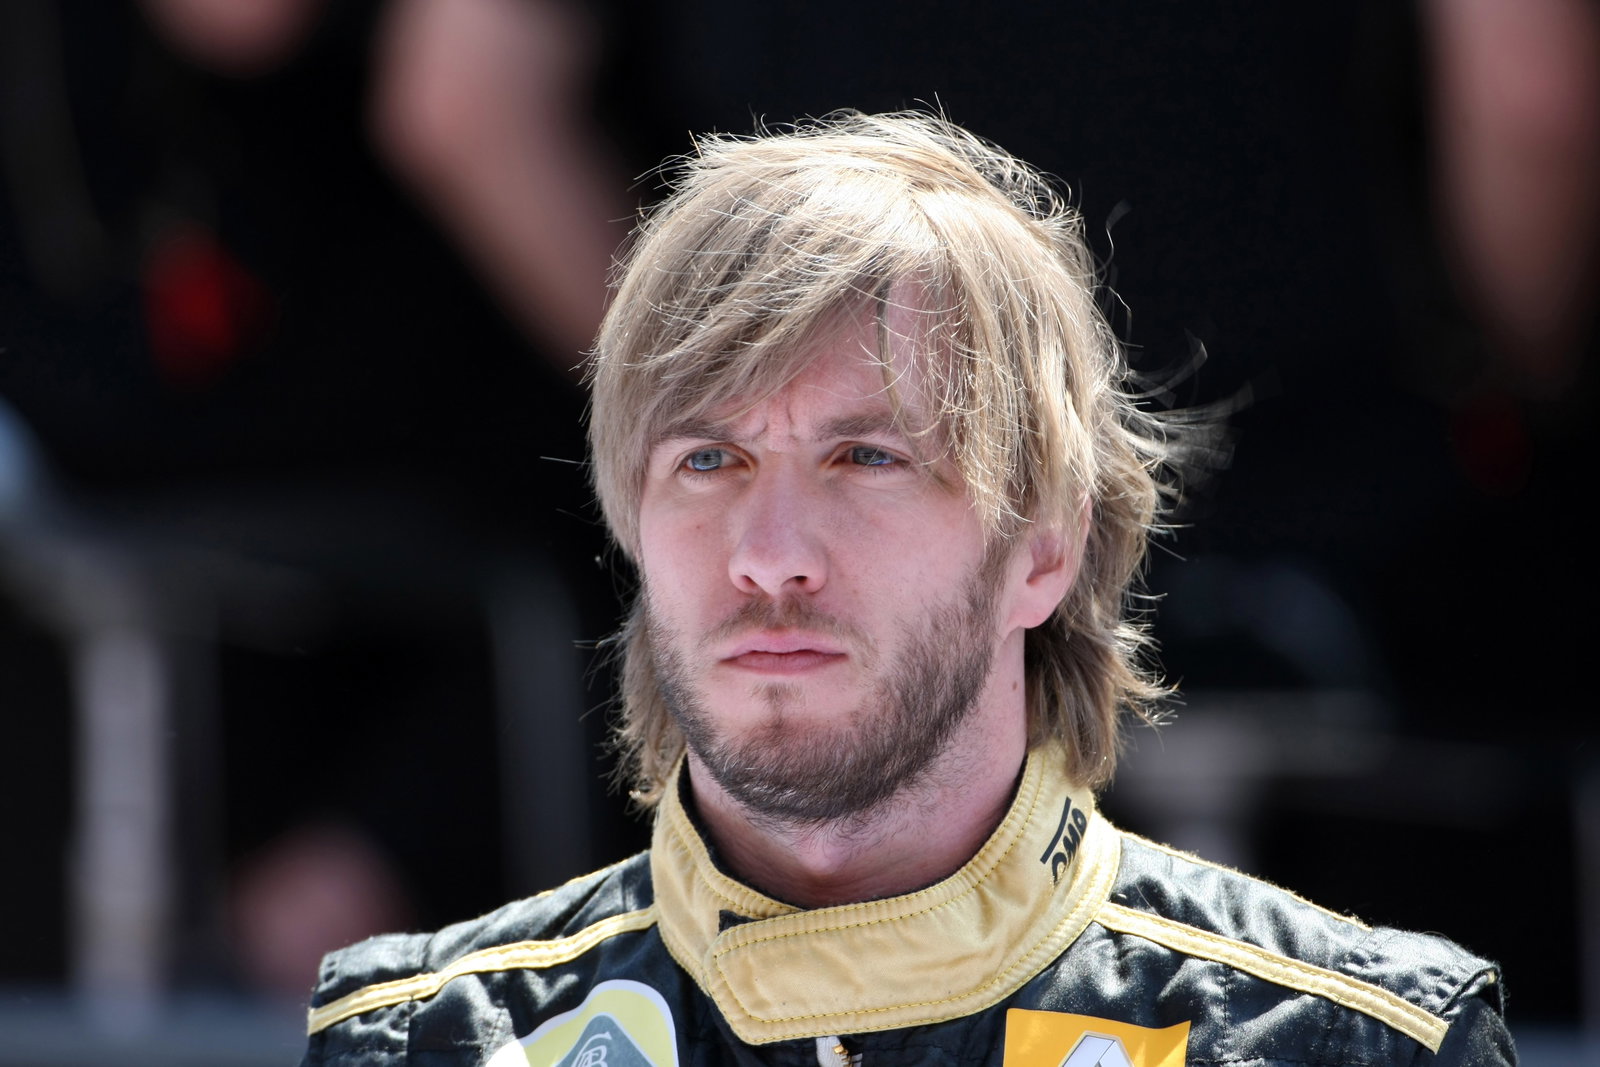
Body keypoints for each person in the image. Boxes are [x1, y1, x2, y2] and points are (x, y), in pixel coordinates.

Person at [300, 112, 1514, 1066]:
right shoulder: (422, 1042)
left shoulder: (1348, 1044)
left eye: (865, 457)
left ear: (1043, 548)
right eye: (707, 461)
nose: (769, 552)